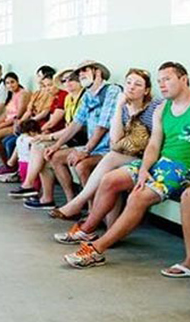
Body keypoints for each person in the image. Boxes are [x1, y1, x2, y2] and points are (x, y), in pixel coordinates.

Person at [61, 62, 190, 269]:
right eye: (159, 80)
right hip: (160, 163)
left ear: (184, 79)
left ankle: (97, 249)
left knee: (138, 196)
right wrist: (145, 169)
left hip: (184, 169)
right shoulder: (163, 108)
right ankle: (87, 228)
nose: (162, 85)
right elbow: (154, 144)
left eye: (168, 79)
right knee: (110, 179)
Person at [45, 69, 162, 220]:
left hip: (143, 156)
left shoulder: (155, 105)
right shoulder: (122, 107)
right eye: (128, 83)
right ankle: (81, 209)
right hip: (123, 154)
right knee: (55, 156)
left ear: (146, 90)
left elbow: (105, 132)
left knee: (104, 165)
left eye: (138, 84)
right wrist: (119, 107)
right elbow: (115, 140)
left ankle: (83, 209)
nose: (131, 87)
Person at [24, 60, 121, 210]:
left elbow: (103, 126)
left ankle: (91, 210)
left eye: (85, 70)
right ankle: (72, 203)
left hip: (109, 149)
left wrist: (85, 150)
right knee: (54, 156)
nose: (81, 74)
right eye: (79, 72)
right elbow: (76, 123)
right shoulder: (88, 95)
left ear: (98, 72)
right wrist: (55, 146)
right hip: (93, 147)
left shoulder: (112, 91)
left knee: (82, 165)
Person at [6, 69, 84, 199]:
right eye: (65, 81)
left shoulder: (79, 97)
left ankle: (34, 187)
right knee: (38, 147)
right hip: (65, 137)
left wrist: (47, 136)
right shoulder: (69, 98)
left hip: (77, 140)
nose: (68, 83)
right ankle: (38, 192)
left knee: (41, 148)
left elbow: (72, 127)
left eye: (72, 79)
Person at [0, 72, 30, 168]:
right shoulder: (11, 94)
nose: (10, 85)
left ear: (17, 82)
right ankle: (4, 158)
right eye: (7, 83)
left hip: (16, 124)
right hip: (7, 122)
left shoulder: (23, 94)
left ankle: (7, 164)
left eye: (12, 82)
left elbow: (18, 116)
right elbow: (6, 114)